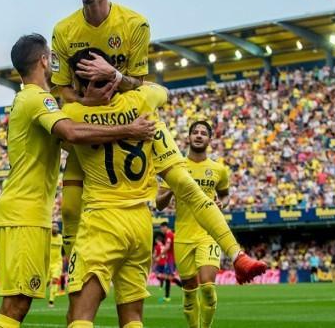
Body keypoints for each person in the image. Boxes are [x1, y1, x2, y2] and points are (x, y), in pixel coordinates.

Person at [62, 48, 266, 328]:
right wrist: (119, 77)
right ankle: (237, 254)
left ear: (78, 83)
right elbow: (162, 91)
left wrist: (70, 243)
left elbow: (69, 202)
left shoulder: (72, 114)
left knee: (79, 317)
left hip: (102, 222)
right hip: (140, 225)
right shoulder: (144, 102)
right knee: (133, 319)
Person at [0, 33, 155, 328]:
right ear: (43, 60)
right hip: (23, 213)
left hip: (27, 211)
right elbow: (73, 134)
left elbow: (71, 134)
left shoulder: (34, 99)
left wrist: (86, 103)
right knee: (16, 303)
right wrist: (128, 128)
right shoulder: (37, 99)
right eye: (50, 55)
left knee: (19, 301)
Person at [51, 0, 151, 258]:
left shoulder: (135, 24)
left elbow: (140, 84)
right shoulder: (63, 31)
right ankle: (72, 272)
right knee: (70, 209)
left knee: (175, 176)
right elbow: (62, 88)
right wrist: (87, 102)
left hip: (124, 117)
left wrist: (113, 75)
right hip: (86, 124)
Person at [155, 121, 229, 327]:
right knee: (189, 291)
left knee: (207, 285)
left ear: (209, 139)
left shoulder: (218, 169)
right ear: (188, 137)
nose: (198, 135)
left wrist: (223, 203)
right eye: (195, 132)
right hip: (184, 236)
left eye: (203, 133)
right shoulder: (175, 167)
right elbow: (159, 204)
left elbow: (224, 195)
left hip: (208, 233)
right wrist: (172, 186)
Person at [156, 222, 179, 303]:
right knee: (167, 278)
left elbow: (167, 247)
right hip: (169, 259)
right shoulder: (169, 234)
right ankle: (167, 297)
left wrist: (160, 255)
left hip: (171, 259)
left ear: (165, 227)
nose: (161, 230)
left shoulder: (169, 234)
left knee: (169, 277)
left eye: (161, 228)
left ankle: (185, 287)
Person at [48, 223, 64, 308]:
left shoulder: (61, 238)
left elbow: (64, 250)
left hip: (57, 263)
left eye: (56, 227)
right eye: (53, 227)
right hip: (48, 263)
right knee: (46, 282)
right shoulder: (47, 238)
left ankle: (51, 300)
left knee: (55, 280)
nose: (55, 228)